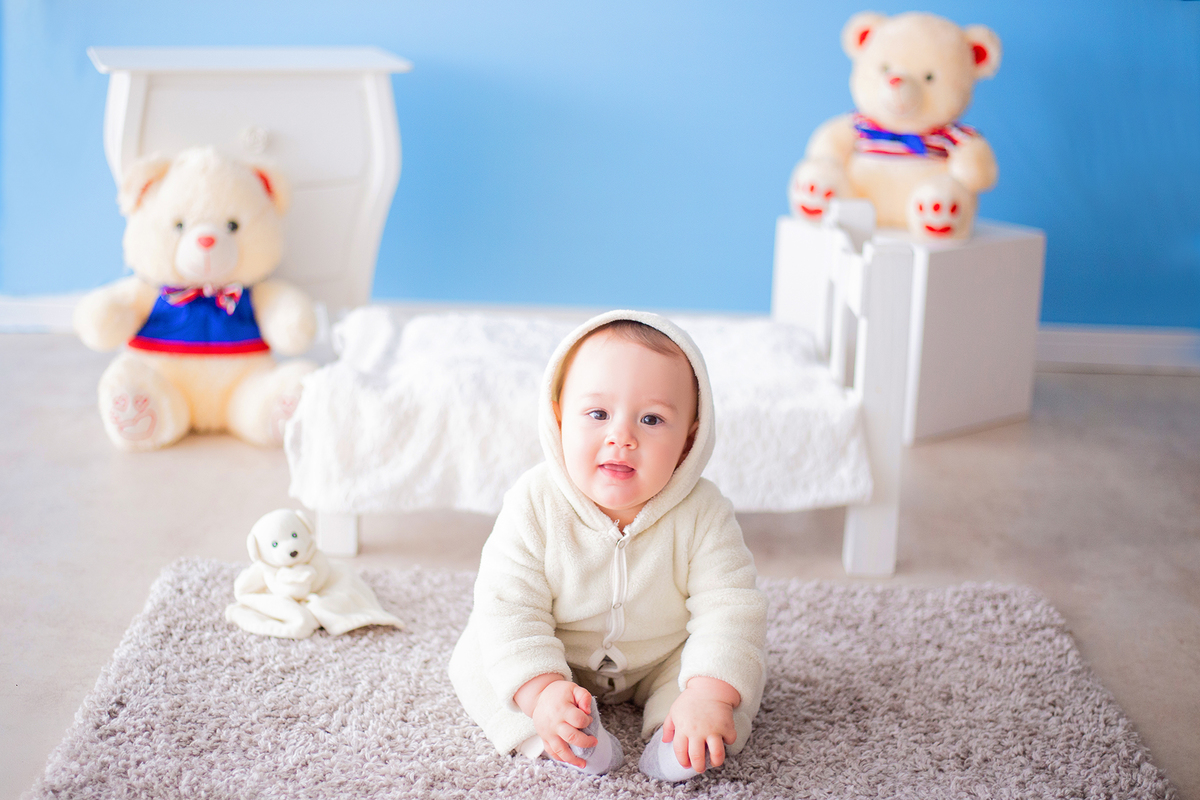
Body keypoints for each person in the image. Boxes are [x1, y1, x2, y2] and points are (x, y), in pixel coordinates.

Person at [449, 310, 767, 782]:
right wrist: (541, 690)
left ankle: (678, 734)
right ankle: (561, 731)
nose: (622, 436)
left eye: (652, 419)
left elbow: (730, 607)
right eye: (598, 414)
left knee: (731, 672)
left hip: (661, 656)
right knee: (482, 653)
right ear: (559, 420)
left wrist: (708, 693)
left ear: (688, 441)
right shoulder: (534, 503)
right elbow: (511, 605)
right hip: (557, 650)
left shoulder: (704, 511)